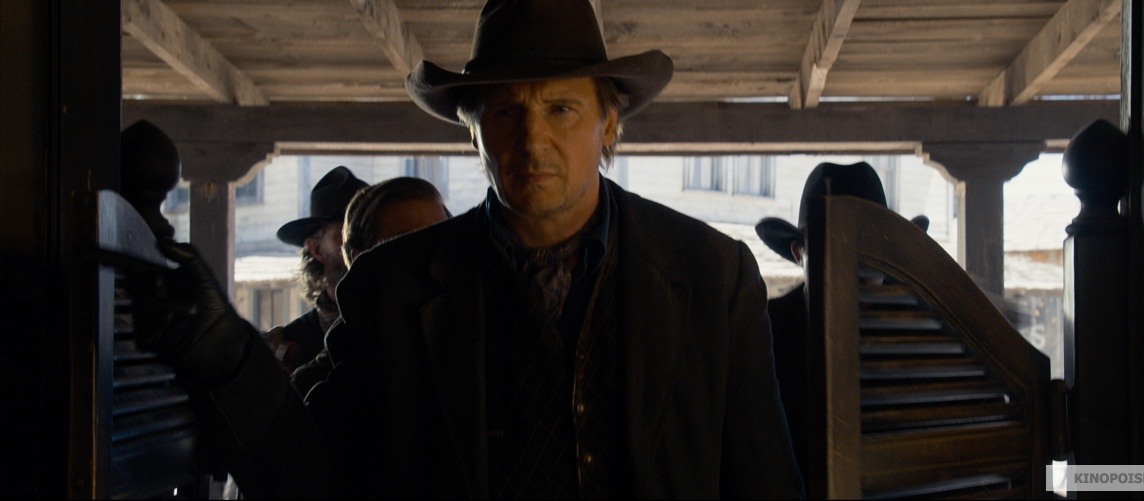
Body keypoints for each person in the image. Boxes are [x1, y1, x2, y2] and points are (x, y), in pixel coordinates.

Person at [122, 0, 802, 498]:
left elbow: (765, 484)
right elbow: (312, 478)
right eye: (505, 111)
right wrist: (229, 356)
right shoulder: (394, 288)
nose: (532, 139)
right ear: (471, 130)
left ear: (608, 121)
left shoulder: (710, 275)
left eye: (561, 108)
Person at [755, 161, 929, 497]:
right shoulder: (765, 331)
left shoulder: (919, 334)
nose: (855, 265)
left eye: (869, 250)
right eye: (837, 248)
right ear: (799, 253)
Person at [289, 176, 452, 398]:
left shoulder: (479, 337)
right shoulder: (321, 373)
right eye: (406, 244)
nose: (429, 257)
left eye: (440, 238)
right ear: (361, 260)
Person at [267, 166, 368, 374]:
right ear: (316, 249)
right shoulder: (288, 345)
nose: (360, 247)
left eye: (368, 232)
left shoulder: (408, 327)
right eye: (345, 235)